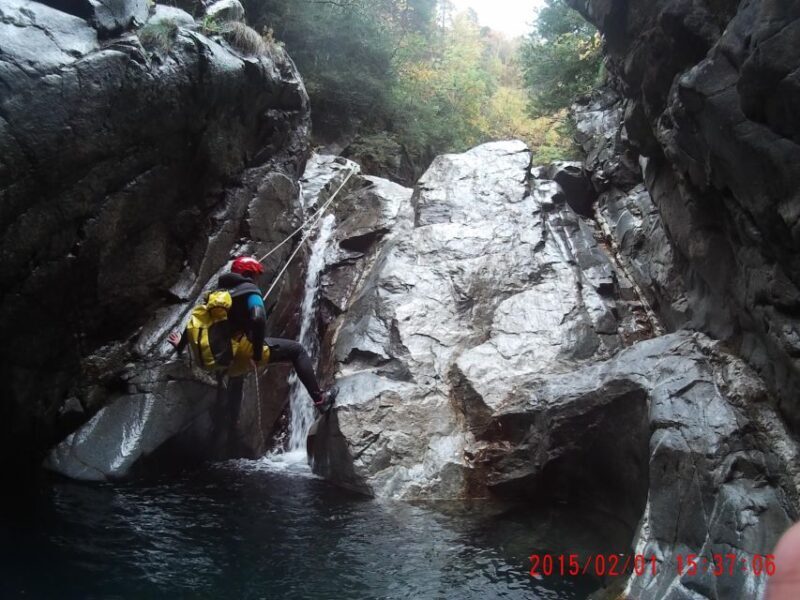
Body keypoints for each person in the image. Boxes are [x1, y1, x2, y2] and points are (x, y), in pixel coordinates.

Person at [168, 256, 337, 413]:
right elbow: (258, 318)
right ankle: (320, 400)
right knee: (297, 351)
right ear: (249, 274)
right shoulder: (249, 290)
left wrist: (180, 346)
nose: (257, 280)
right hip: (240, 353)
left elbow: (196, 321)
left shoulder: (216, 295)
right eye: (256, 276)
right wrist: (256, 353)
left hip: (215, 359)